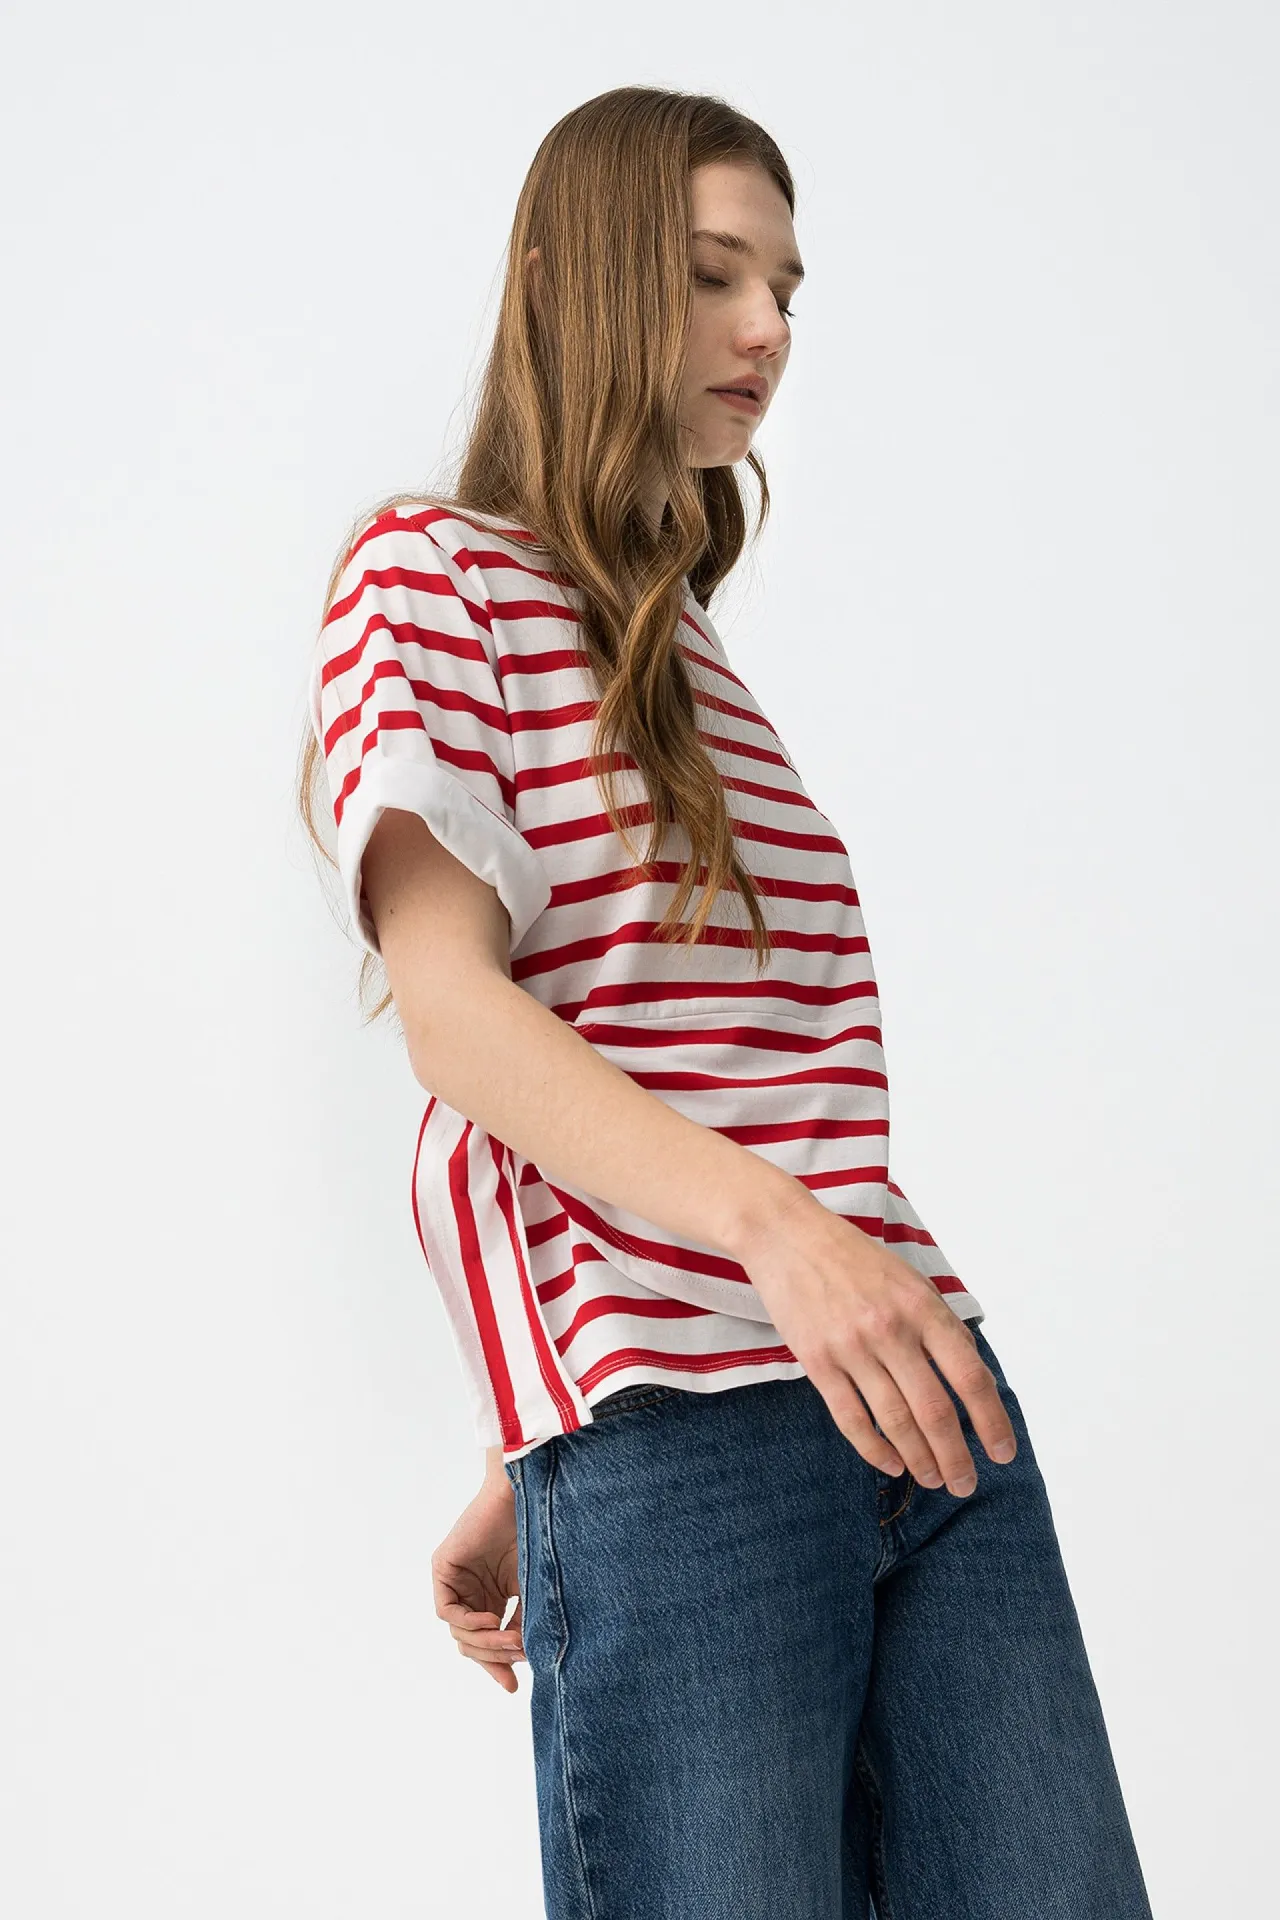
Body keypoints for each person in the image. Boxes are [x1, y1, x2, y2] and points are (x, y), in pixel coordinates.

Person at [300, 84, 1154, 1920]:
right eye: (710, 274)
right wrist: (584, 1406)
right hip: (689, 1449)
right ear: (566, 279)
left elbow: (692, 1047)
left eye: (784, 287)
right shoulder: (431, 574)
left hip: (921, 1388)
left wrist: (547, 1428)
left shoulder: (684, 648)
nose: (767, 327)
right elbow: (456, 1015)